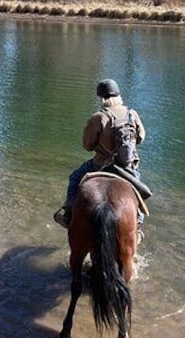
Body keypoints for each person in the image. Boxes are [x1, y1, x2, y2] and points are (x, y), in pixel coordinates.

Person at [54, 78, 146, 229]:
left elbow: (87, 146)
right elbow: (141, 137)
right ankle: (138, 224)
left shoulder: (99, 117)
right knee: (138, 189)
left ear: (101, 98)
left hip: (101, 165)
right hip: (128, 168)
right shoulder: (132, 114)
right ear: (118, 96)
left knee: (75, 177)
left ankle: (68, 214)